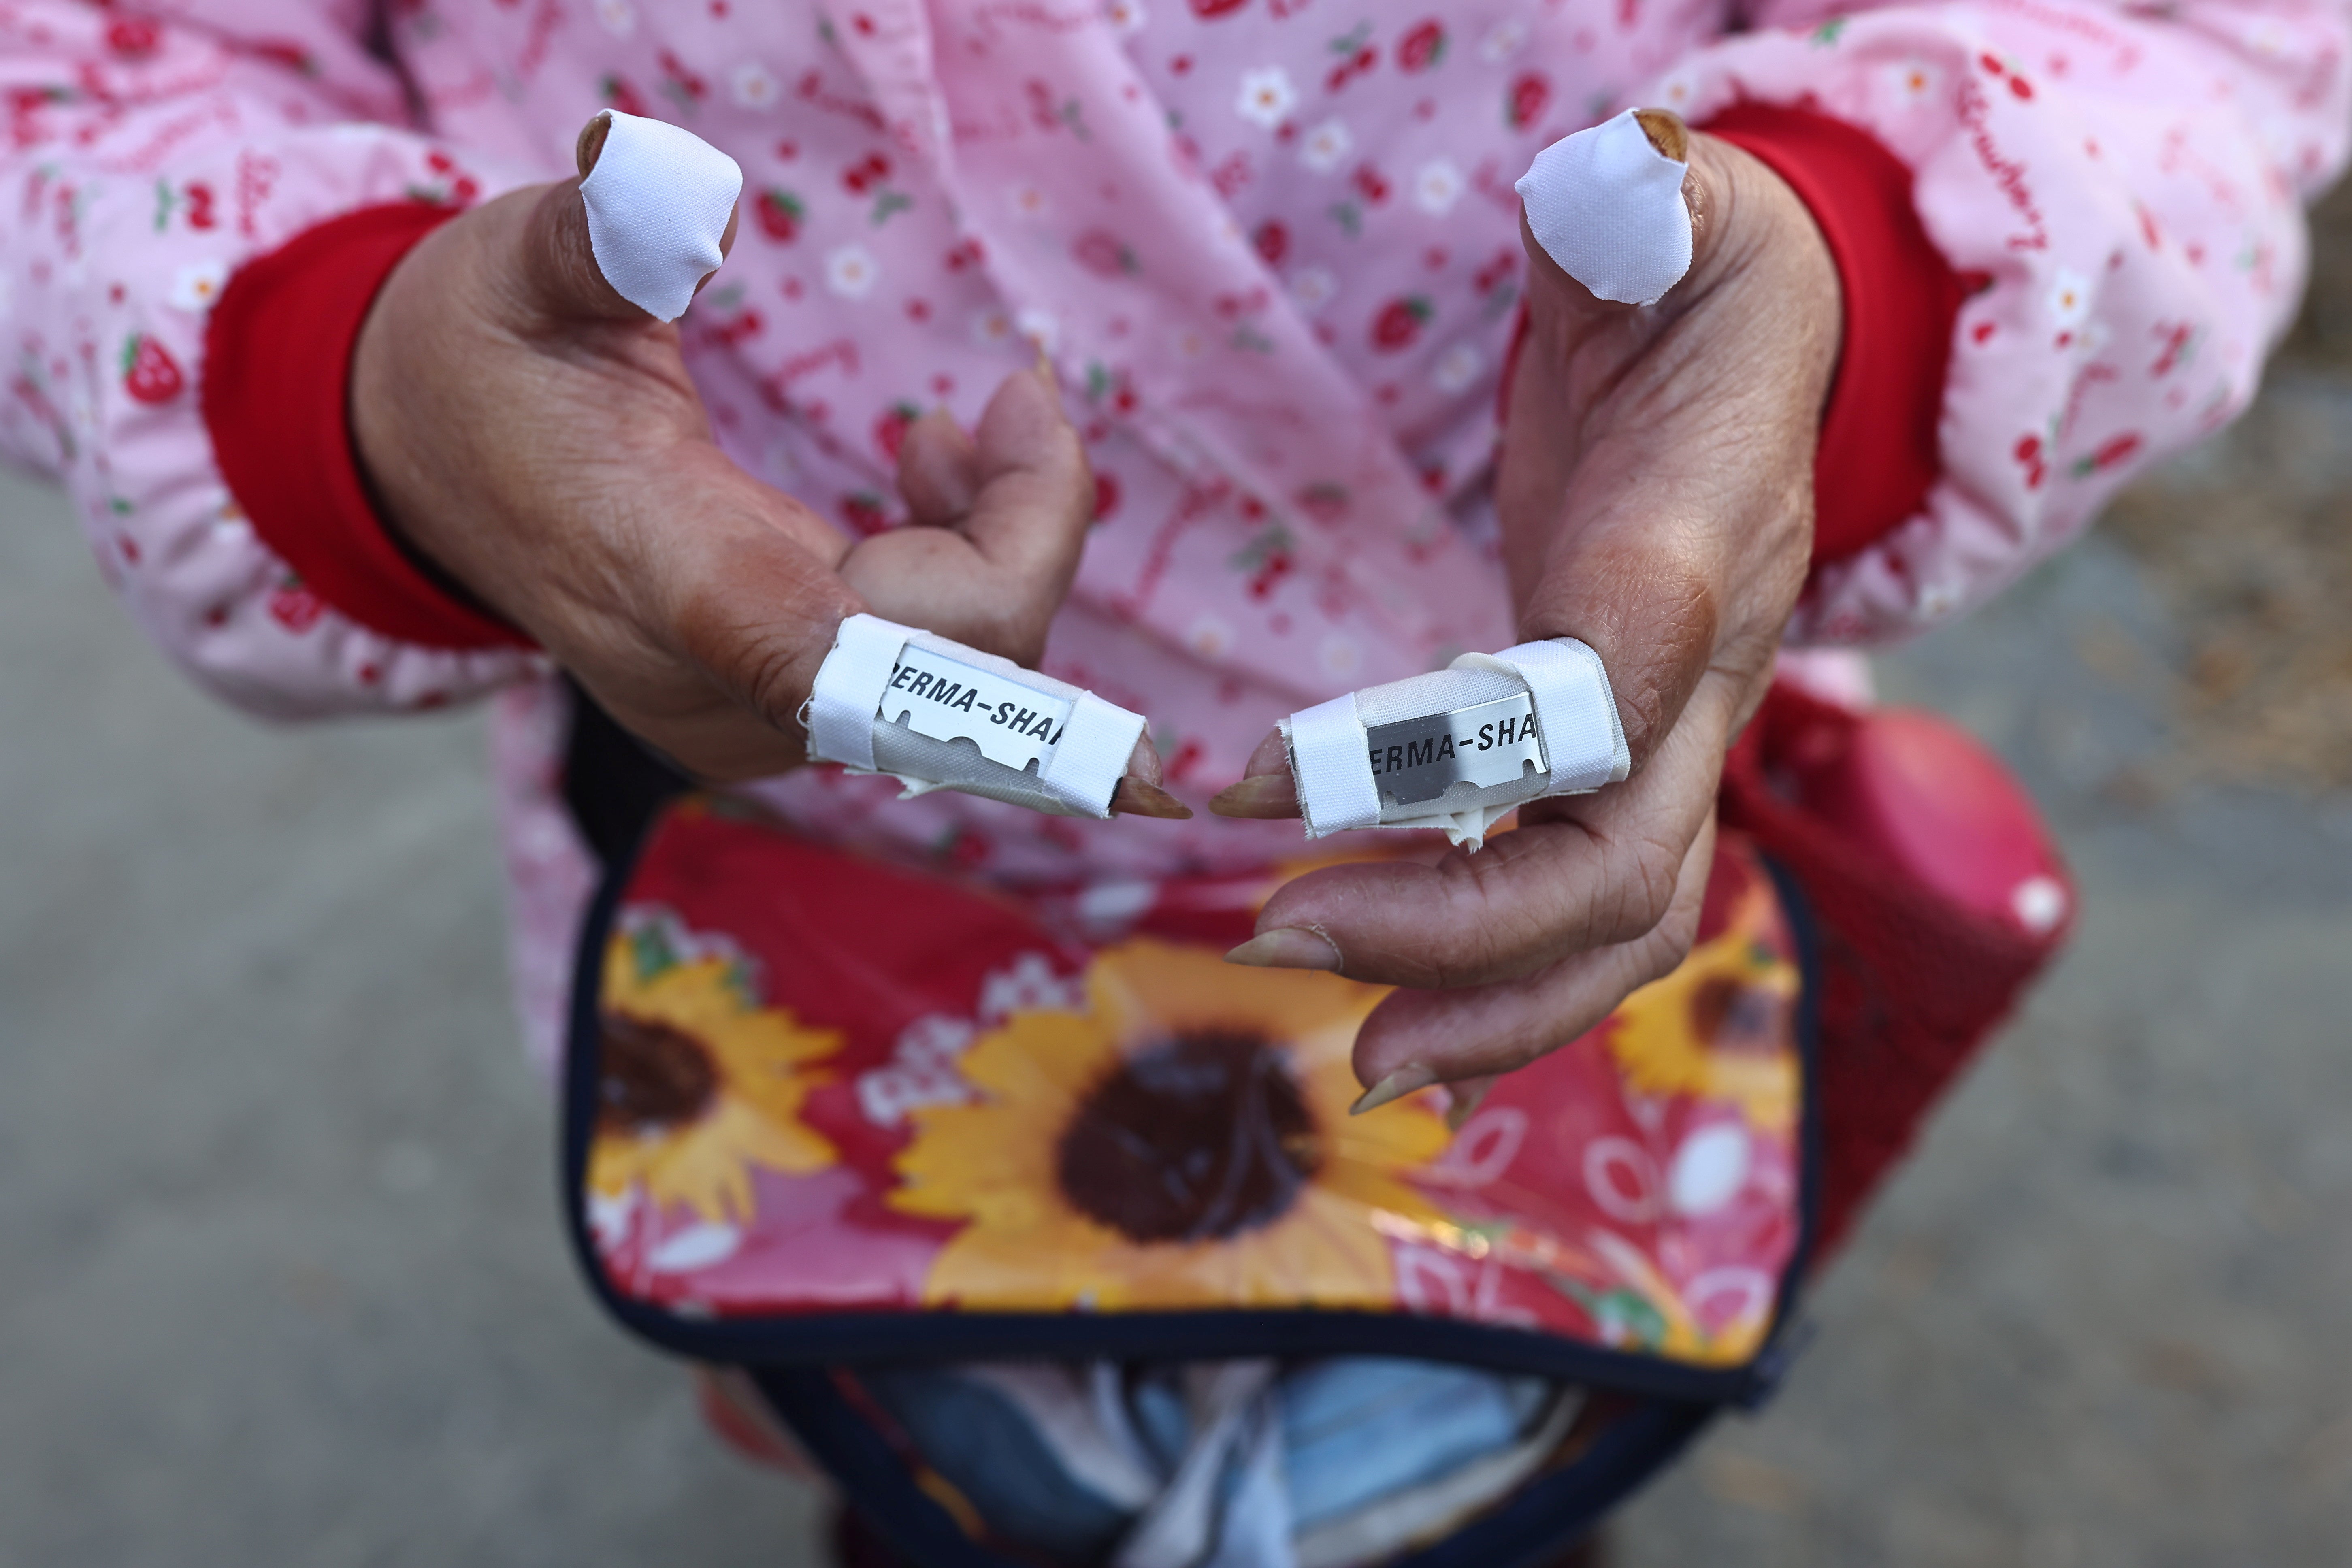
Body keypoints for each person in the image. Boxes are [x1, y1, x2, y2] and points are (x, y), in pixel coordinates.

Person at [3, 0, 2343, 1559]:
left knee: (1497, 1464)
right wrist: (364, 395)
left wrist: (1861, 290)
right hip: (798, 957)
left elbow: (2196, 49)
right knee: (915, 1467)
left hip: (1570, 948)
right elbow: (92, 79)